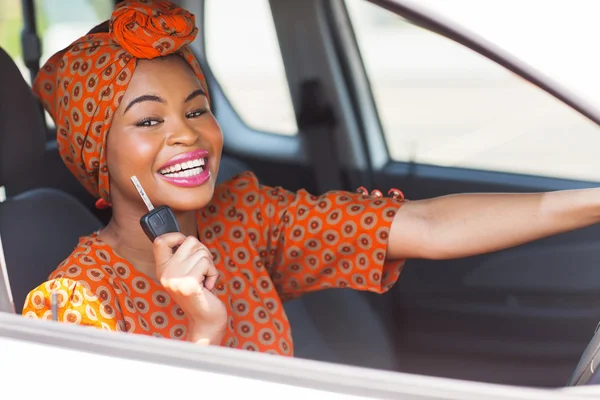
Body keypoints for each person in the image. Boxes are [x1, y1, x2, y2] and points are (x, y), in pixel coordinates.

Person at [21, 0, 600, 354]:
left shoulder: (245, 218)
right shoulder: (74, 305)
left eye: (197, 109)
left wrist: (594, 202)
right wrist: (204, 334)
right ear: (98, 154)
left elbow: (425, 225)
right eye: (149, 120)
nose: (188, 134)